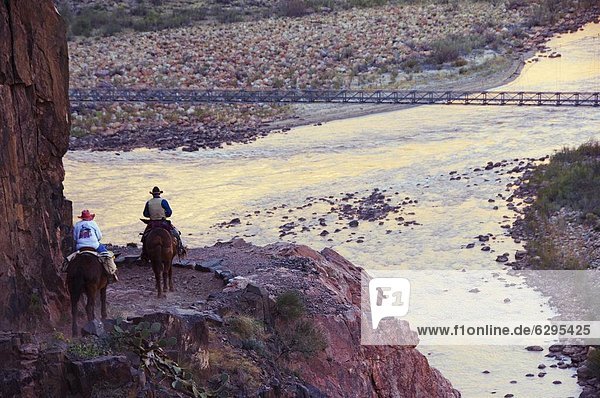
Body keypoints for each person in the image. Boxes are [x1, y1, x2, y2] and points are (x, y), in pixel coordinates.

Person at [67, 209, 118, 282]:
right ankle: (112, 274)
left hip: (80, 246)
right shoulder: (93, 223)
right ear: (89, 217)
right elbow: (99, 236)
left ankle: (65, 270)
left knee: (72, 258)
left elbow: (75, 238)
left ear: (82, 218)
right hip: (94, 245)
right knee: (108, 256)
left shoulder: (77, 225)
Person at [141, 187, 185, 259]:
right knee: (176, 233)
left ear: (152, 194)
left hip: (152, 223)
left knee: (144, 237)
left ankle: (144, 253)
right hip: (163, 222)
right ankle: (180, 249)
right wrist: (164, 214)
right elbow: (169, 213)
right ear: (159, 194)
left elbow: (145, 214)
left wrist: (152, 214)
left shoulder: (148, 202)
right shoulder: (163, 201)